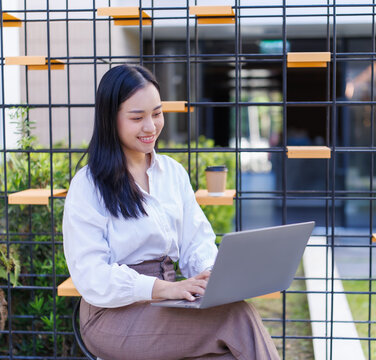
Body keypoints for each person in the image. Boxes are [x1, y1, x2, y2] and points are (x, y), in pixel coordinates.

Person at [63, 64, 280, 360]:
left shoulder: (172, 173)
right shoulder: (88, 185)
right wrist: (162, 289)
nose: (151, 126)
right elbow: (92, 276)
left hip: (167, 303)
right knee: (236, 316)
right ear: (109, 119)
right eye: (137, 117)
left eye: (157, 113)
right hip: (110, 315)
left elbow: (196, 242)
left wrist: (209, 276)